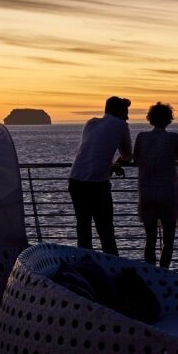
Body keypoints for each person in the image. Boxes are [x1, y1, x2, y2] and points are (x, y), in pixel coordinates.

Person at [68, 96, 133, 255]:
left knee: (83, 229)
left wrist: (110, 165)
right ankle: (113, 271)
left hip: (76, 179)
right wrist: (116, 163)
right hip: (97, 184)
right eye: (125, 112)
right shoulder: (121, 125)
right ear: (117, 111)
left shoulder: (90, 123)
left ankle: (85, 268)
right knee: (105, 231)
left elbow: (93, 152)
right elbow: (127, 155)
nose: (127, 116)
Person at [133, 102, 178, 268]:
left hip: (146, 192)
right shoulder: (172, 138)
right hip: (167, 192)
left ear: (150, 119)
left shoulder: (141, 137)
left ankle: (150, 274)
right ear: (169, 119)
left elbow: (136, 158)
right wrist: (174, 157)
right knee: (168, 240)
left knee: (150, 239)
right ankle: (164, 273)